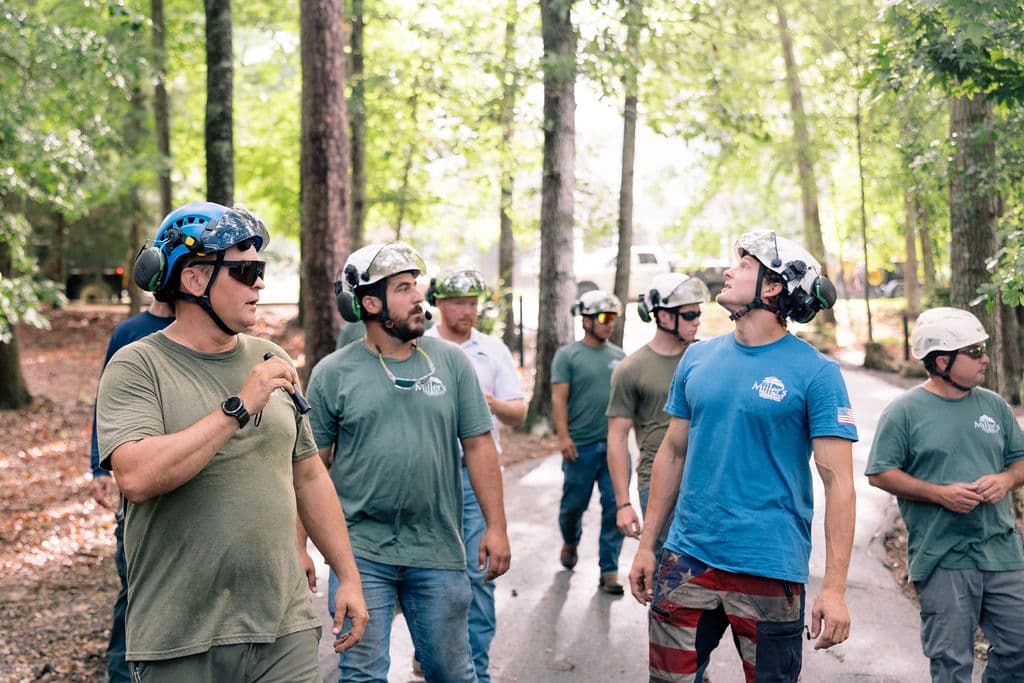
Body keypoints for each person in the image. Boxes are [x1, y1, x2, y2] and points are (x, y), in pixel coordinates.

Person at [96, 201, 367, 682]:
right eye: (245, 271)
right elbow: (135, 477)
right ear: (194, 279)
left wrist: (347, 575)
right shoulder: (138, 365)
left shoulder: (270, 356)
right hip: (179, 639)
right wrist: (239, 406)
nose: (259, 283)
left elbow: (308, 476)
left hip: (283, 630)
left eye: (260, 269)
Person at [629, 230, 857, 682]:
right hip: (686, 560)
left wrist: (834, 588)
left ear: (772, 286)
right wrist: (647, 545)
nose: (729, 271)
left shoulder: (817, 374)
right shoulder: (696, 359)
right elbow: (672, 453)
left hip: (769, 568)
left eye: (745, 265)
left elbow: (840, 485)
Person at [306, 241, 511, 682]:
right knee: (361, 675)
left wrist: (496, 526)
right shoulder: (331, 374)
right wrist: (296, 546)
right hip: (358, 553)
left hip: (437, 549)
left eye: (416, 285)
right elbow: (310, 469)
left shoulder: (451, 363)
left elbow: (479, 446)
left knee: (452, 673)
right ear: (370, 303)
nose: (419, 296)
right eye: (403, 288)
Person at [866, 307, 1024, 682]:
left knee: (1019, 648)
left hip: (1002, 553)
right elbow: (879, 473)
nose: (985, 358)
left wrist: (1005, 481)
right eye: (975, 351)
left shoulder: (994, 405)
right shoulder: (904, 412)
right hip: (943, 556)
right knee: (952, 663)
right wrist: (939, 494)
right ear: (942, 361)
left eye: (983, 349)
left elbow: (1020, 462)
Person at [424, 266, 526, 683]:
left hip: (474, 479)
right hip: (428, 478)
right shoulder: (420, 345)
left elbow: (519, 412)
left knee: (479, 574)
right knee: (429, 575)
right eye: (458, 303)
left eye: (472, 303)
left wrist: (488, 403)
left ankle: (476, 671)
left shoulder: (492, 350)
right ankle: (435, 654)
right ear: (439, 303)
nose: (467, 311)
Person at [89, 292, 173, 683]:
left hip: (183, 486)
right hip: (135, 489)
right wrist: (99, 466)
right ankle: (121, 673)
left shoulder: (207, 328)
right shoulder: (129, 333)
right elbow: (104, 405)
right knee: (134, 589)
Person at [606, 273, 709, 557]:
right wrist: (623, 503)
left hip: (705, 482)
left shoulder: (706, 359)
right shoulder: (631, 369)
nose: (697, 321)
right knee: (665, 569)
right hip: (657, 483)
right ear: (663, 316)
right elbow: (617, 438)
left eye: (698, 314)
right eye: (689, 315)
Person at [552, 289, 627, 594]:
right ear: (586, 320)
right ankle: (570, 541)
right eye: (604, 317)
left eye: (613, 318)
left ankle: (609, 570)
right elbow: (558, 398)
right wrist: (563, 436)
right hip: (579, 447)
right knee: (573, 506)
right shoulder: (568, 356)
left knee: (615, 505)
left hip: (613, 448)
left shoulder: (620, 357)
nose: (609, 323)